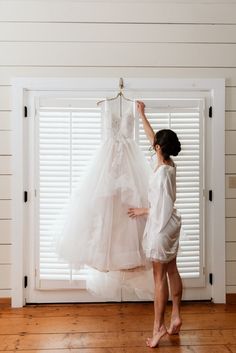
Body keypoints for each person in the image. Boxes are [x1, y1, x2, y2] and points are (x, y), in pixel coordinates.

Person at [128, 101, 183, 348]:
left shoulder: (161, 174)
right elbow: (155, 139)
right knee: (172, 271)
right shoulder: (169, 165)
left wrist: (142, 210)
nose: (153, 145)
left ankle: (159, 327)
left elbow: (161, 208)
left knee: (159, 278)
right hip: (172, 226)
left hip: (161, 228)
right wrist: (142, 115)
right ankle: (177, 316)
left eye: (155, 145)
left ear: (159, 148)